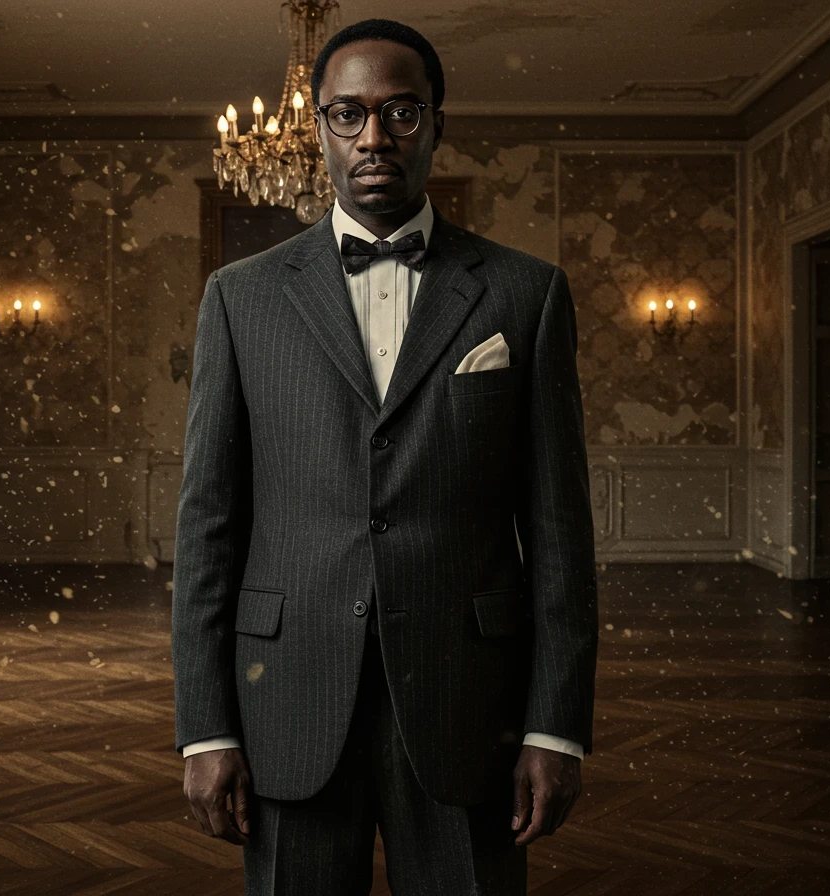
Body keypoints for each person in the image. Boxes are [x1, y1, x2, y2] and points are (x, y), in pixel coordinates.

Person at [171, 17, 598, 895]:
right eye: (348, 114)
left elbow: (559, 531)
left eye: (401, 113)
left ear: (437, 124)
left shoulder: (526, 293)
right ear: (319, 127)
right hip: (285, 697)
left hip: (467, 701)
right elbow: (209, 528)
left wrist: (554, 727)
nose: (374, 137)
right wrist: (205, 727)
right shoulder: (240, 300)